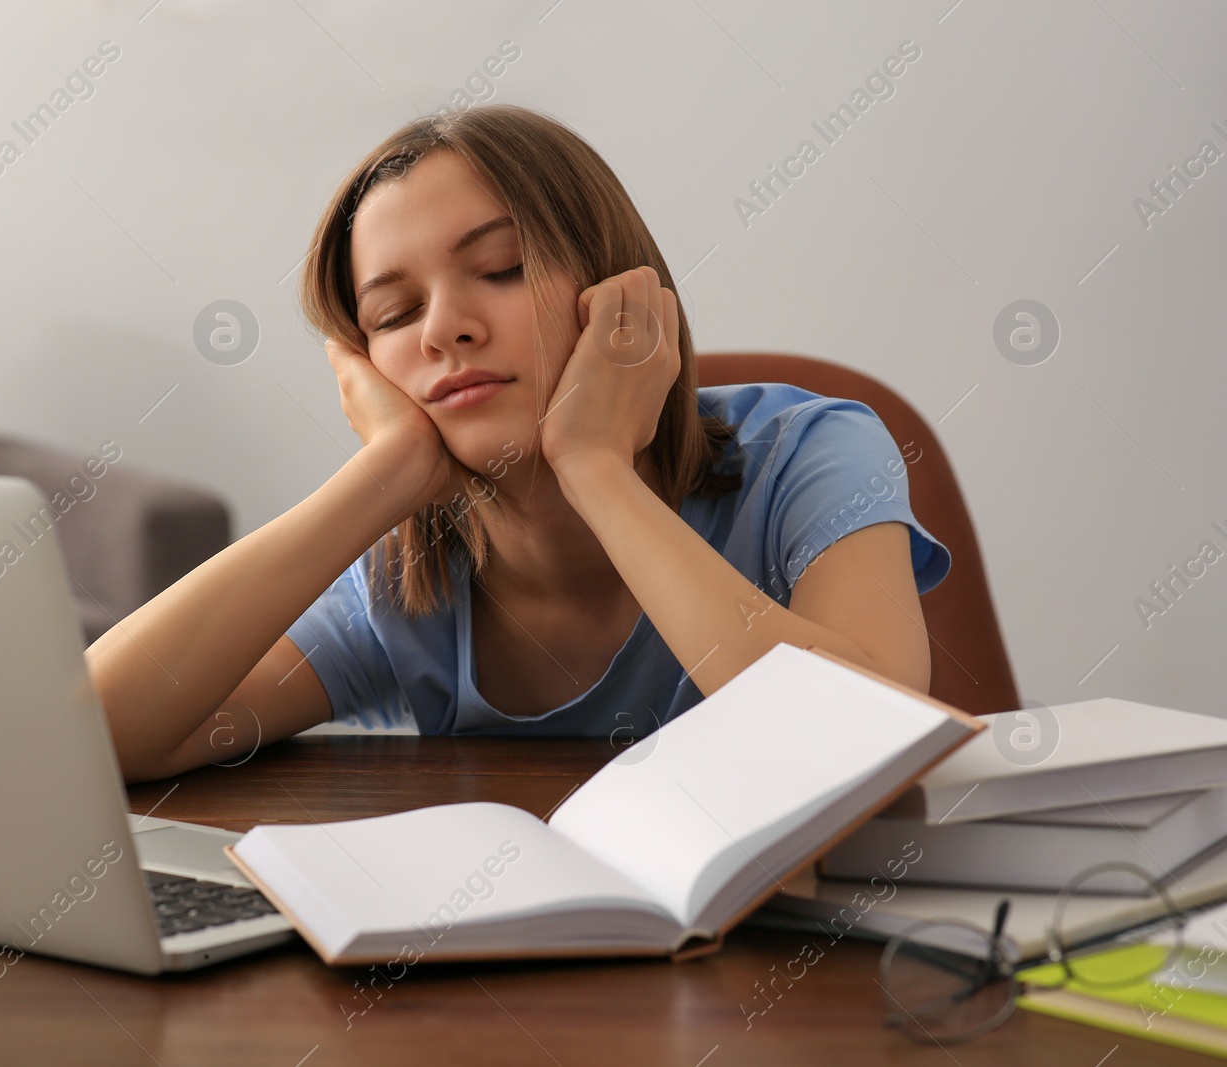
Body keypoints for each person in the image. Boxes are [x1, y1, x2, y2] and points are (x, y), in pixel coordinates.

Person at [87, 104, 950, 784]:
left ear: (619, 293)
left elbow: (867, 737)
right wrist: (383, 475)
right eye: (393, 315)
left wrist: (597, 469)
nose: (444, 330)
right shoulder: (398, 581)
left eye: (500, 268)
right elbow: (95, 739)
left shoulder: (814, 451)